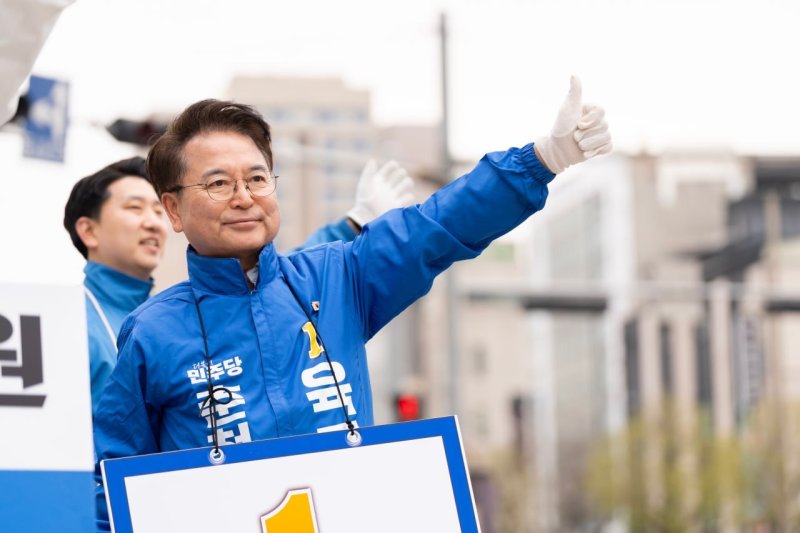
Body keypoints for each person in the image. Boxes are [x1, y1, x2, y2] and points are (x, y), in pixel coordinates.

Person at [93, 76, 611, 529]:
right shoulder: (152, 331)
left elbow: (438, 225)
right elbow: (112, 486)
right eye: (218, 183)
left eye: (256, 178)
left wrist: (544, 158)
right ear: (174, 209)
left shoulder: (337, 276)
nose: (244, 196)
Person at [64, 156, 413, 417]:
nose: (152, 223)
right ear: (88, 231)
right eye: (134, 208)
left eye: (158, 211)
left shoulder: (164, 319)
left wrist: (352, 225)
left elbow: (266, 291)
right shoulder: (70, 324)